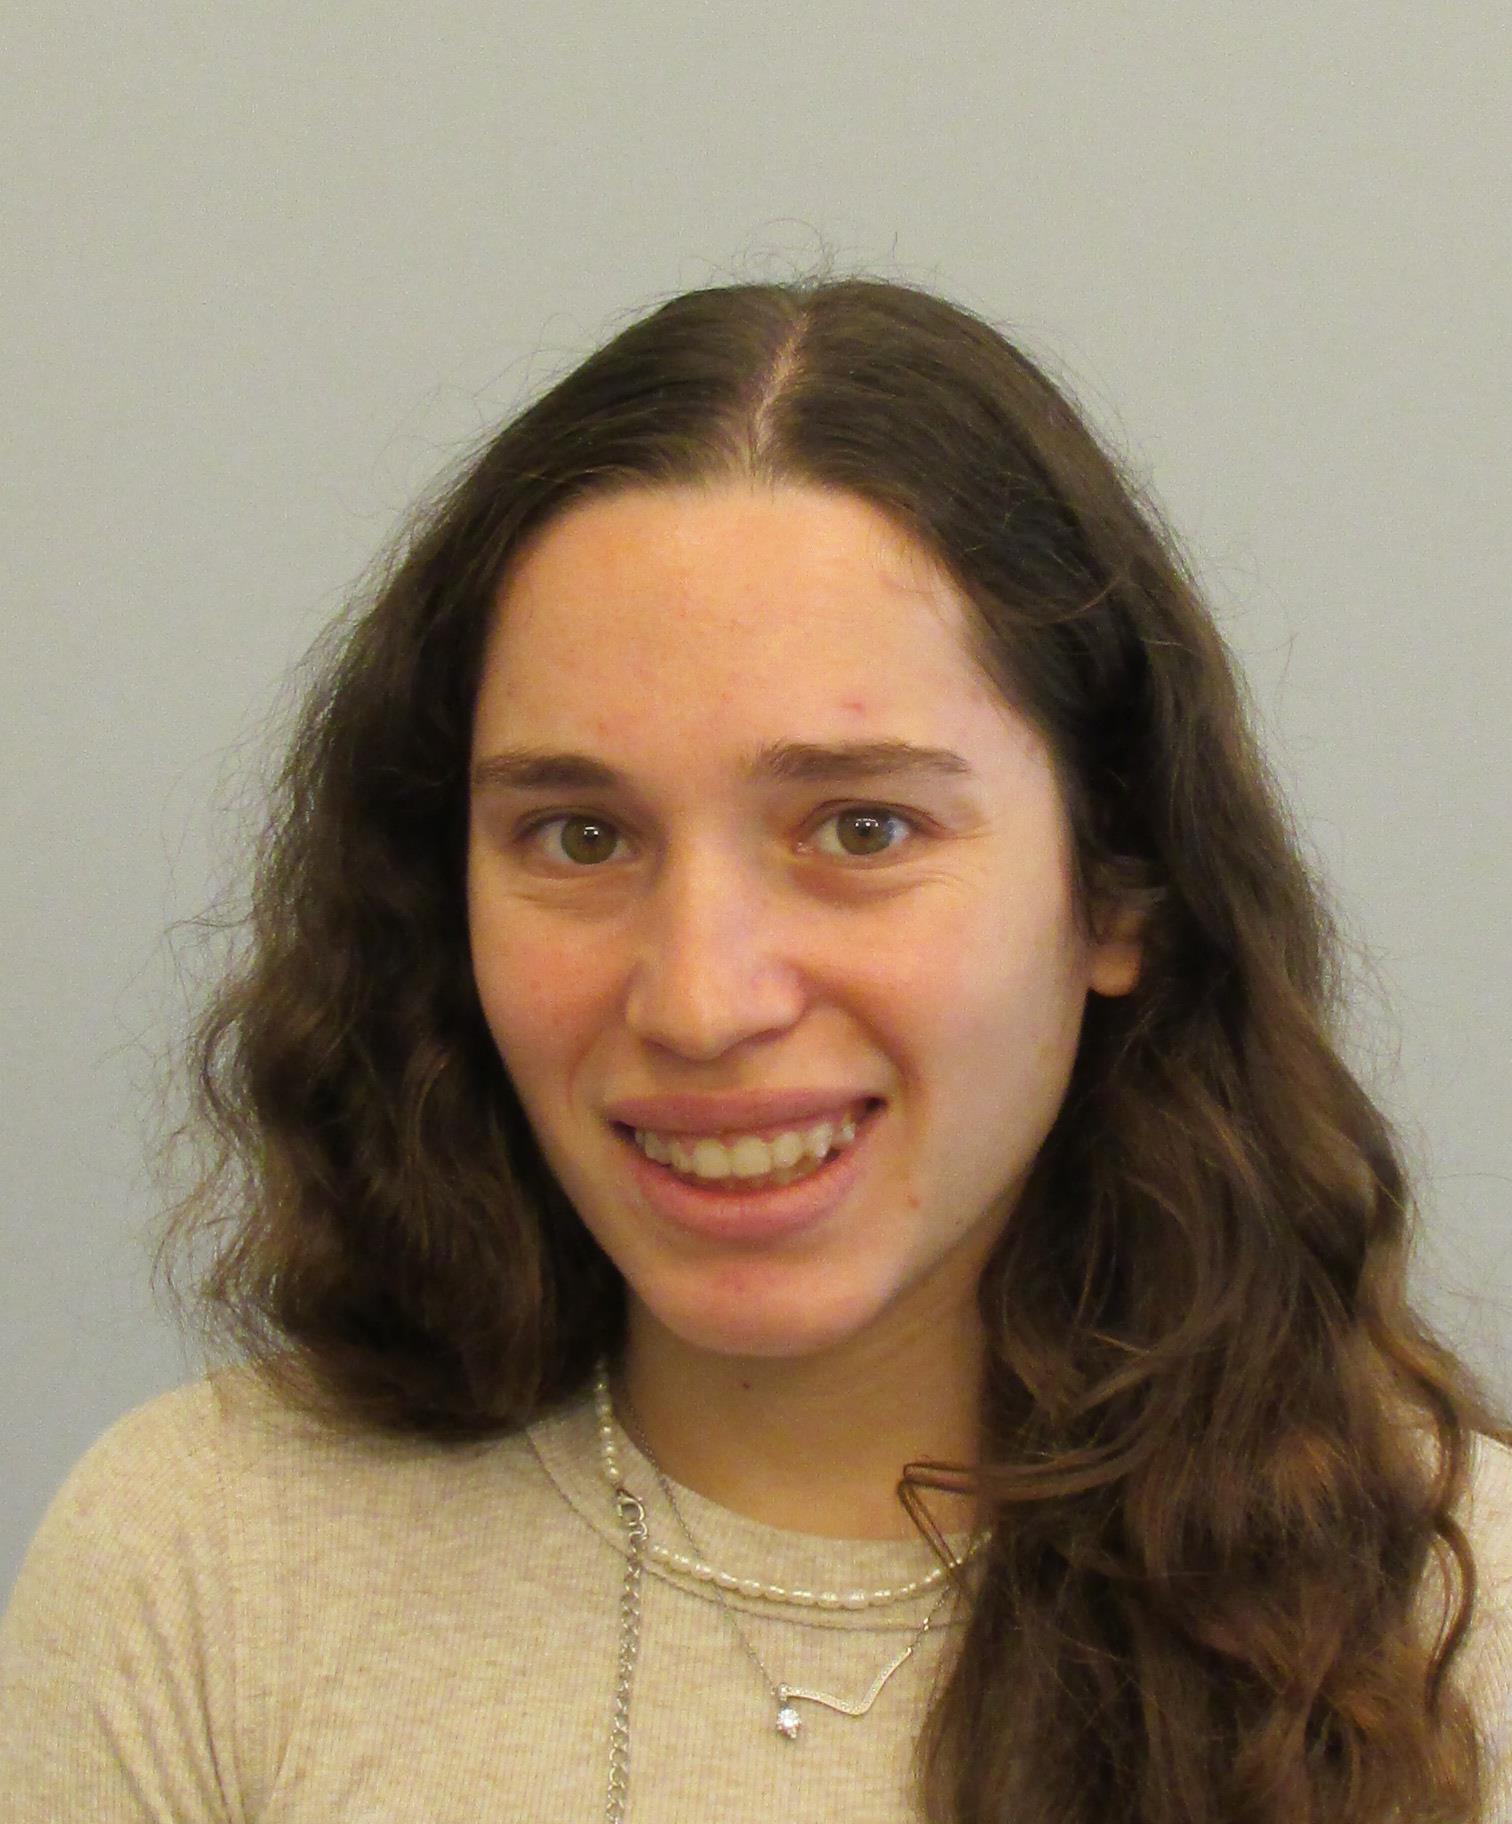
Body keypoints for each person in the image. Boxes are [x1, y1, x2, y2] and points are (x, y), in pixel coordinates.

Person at [2, 276, 1509, 1824]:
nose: (702, 1002)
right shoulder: (202, 1567)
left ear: (1119, 884)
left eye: (861, 829)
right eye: (581, 837)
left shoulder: (1468, 1630)